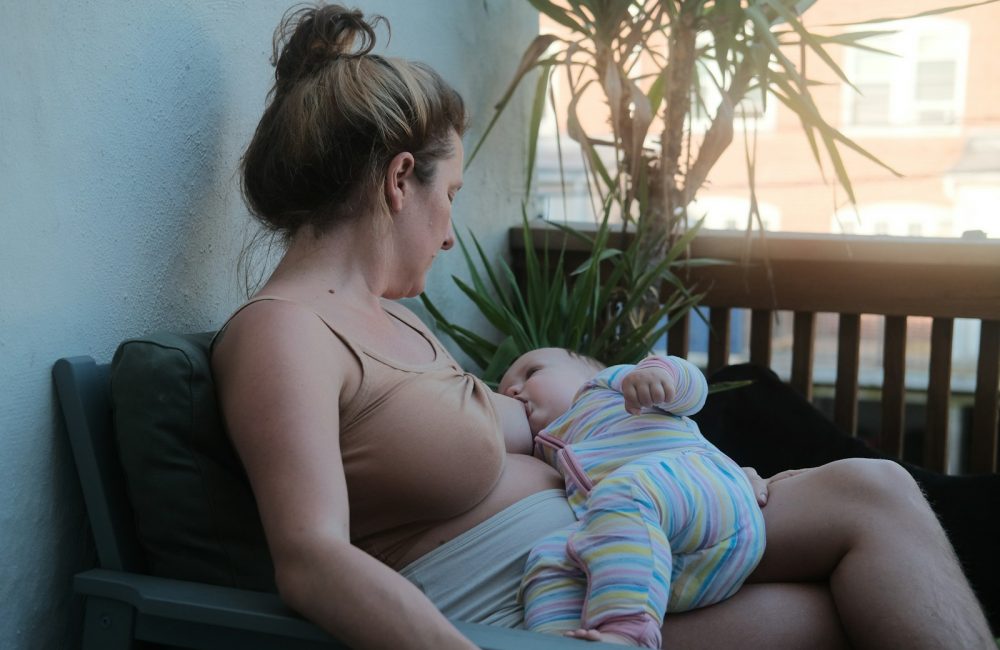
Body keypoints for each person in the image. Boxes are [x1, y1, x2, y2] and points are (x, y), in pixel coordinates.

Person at [210, 4, 995, 649]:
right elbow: (311, 559)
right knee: (837, 611)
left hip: (624, 541)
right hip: (548, 611)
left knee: (873, 490)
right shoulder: (283, 335)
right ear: (400, 181)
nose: (450, 233)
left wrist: (705, 473)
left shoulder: (397, 327)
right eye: (451, 193)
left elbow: (541, 430)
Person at [497, 349, 766, 647]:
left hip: (701, 491)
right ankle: (560, 641)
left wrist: (659, 375)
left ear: (584, 373)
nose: (511, 389)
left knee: (623, 493)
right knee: (551, 554)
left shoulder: (607, 388)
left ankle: (627, 636)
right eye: (502, 391)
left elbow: (691, 390)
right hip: (676, 572)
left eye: (531, 372)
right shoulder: (545, 455)